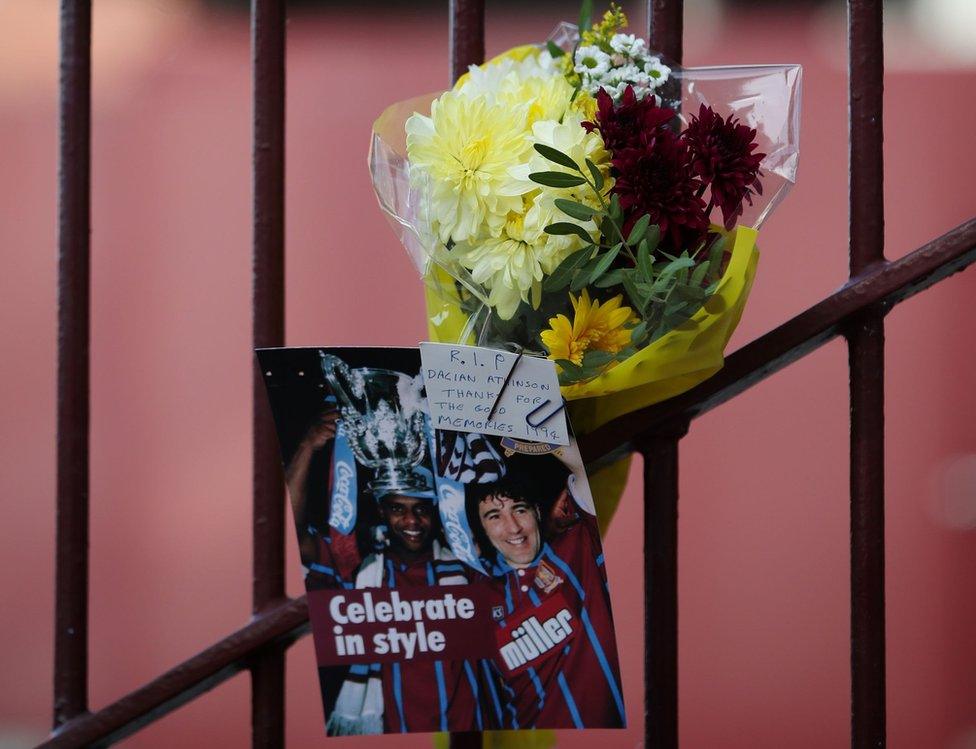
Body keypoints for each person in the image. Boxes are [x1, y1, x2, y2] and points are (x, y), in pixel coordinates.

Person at [465, 450, 625, 730]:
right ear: (481, 531)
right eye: (494, 516)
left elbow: (589, 473)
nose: (513, 527)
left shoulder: (577, 547)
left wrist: (545, 436)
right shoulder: (479, 596)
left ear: (537, 511)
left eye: (520, 509)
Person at [327, 466, 487, 735]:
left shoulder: (465, 570)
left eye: (422, 509)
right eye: (398, 509)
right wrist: (308, 446)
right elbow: (296, 534)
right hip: (392, 729)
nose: (412, 521)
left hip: (466, 728)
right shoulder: (363, 574)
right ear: (382, 511)